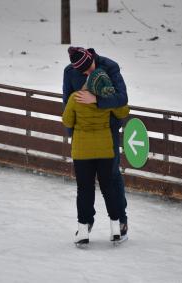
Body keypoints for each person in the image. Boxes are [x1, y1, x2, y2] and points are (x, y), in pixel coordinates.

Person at [62, 46, 129, 241]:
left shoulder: (110, 67)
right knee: (88, 185)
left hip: (108, 133)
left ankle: (121, 221)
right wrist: (75, 136)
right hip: (84, 137)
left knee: (112, 177)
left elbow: (122, 99)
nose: (86, 74)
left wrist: (97, 100)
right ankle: (87, 222)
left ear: (92, 58)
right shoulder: (70, 72)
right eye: (82, 72)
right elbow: (67, 104)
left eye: (88, 69)